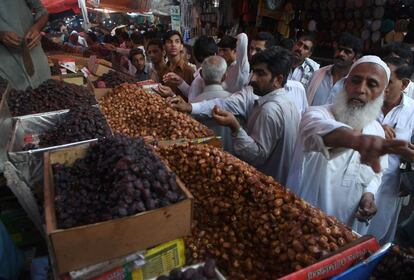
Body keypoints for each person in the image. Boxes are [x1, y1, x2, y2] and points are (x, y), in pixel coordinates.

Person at [287, 56, 414, 233]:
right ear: (345, 84)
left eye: (372, 84)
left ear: (384, 92)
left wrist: (368, 196)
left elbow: (376, 175)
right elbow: (318, 132)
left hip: (347, 231)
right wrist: (357, 140)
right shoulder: (317, 114)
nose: (360, 89)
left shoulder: (376, 131)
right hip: (302, 224)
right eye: (355, 80)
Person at [169, 47, 300, 185]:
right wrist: (191, 107)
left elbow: (256, 156)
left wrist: (235, 127)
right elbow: (225, 103)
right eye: (254, 72)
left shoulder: (270, 110)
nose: (253, 78)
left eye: (261, 74)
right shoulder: (289, 102)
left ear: (278, 80)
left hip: (268, 183)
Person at [365, 57, 414, 244]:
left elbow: (410, 154)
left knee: (375, 238)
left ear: (404, 84)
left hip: (388, 187)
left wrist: (405, 175)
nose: (381, 86)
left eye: (389, 81)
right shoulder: (365, 99)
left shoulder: (412, 112)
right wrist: (374, 126)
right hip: (355, 179)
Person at [0, 0, 51, 90]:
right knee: (14, 99)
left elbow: (43, 12)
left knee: (47, 94)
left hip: (35, 56)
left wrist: (36, 28)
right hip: (5, 66)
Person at [307, 33, 363, 106]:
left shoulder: (356, 83)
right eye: (339, 49)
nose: (341, 54)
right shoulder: (318, 74)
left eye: (347, 52)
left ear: (355, 58)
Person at [159, 30, 195, 100]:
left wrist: (172, 94)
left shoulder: (189, 71)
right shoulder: (163, 70)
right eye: (169, 42)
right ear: (164, 47)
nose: (173, 45)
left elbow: (194, 98)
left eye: (177, 41)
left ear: (181, 46)